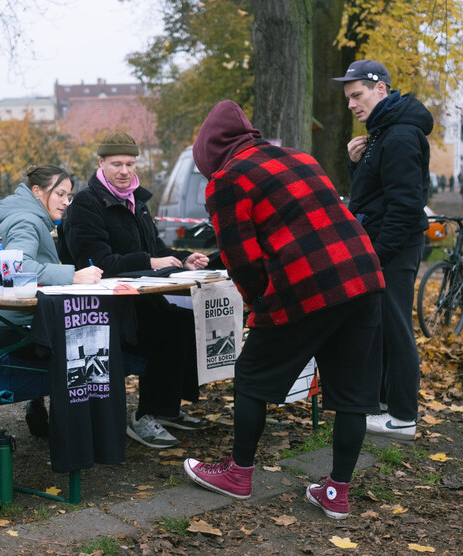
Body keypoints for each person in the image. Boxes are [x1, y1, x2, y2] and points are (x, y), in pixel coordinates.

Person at [182, 100, 385, 519]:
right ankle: (337, 493)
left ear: (208, 152)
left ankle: (238, 474)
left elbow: (241, 259)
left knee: (252, 377)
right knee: (352, 394)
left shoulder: (226, 179)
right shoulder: (299, 157)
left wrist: (259, 306)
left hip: (307, 284)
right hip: (364, 276)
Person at [59, 131, 209, 449]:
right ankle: (144, 416)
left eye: (130, 163)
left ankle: (166, 408)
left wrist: (184, 258)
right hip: (101, 308)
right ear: (101, 163)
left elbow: (156, 246)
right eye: (117, 164)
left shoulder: (136, 200)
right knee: (165, 330)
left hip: (141, 298)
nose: (125, 171)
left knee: (184, 323)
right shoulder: (86, 203)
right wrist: (152, 262)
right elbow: (98, 263)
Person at [332, 59, 432, 441]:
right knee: (385, 329)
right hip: (384, 247)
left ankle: (404, 415)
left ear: (381, 89)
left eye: (357, 95)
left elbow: (406, 206)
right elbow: (372, 196)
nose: (351, 105)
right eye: (347, 99)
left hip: (394, 249)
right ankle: (388, 406)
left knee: (396, 329)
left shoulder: (401, 135)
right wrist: (355, 164)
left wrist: (379, 254)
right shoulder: (382, 132)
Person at [0, 165, 103, 436]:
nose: (67, 202)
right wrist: (74, 276)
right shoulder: (27, 221)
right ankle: (77, 429)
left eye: (69, 196)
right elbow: (19, 267)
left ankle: (41, 405)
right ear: (37, 192)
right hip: (7, 325)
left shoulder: (27, 216)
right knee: (87, 343)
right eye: (61, 194)